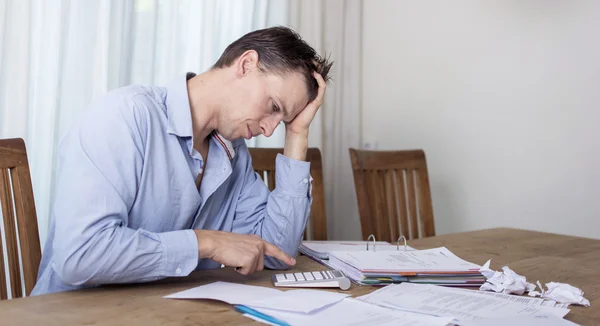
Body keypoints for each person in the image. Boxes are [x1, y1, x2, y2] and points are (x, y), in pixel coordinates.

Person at [32, 26, 332, 295]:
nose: (268, 131)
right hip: (73, 313)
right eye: (273, 107)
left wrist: (297, 134)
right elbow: (81, 256)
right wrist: (205, 243)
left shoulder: (233, 152)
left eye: (280, 122)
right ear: (246, 64)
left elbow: (276, 253)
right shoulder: (124, 116)